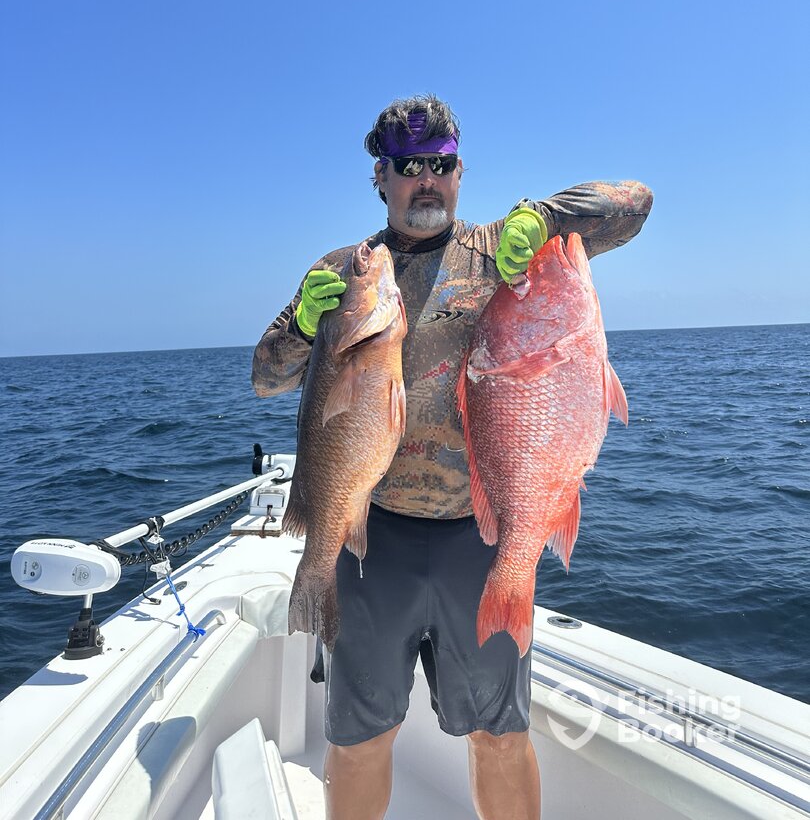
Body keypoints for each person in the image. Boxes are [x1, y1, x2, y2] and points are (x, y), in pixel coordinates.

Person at [252, 94, 653, 820]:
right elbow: (265, 377)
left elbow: (635, 204)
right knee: (360, 736)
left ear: (460, 171)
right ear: (380, 177)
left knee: (500, 733)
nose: (425, 180)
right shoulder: (348, 270)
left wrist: (548, 213)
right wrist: (305, 323)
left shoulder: (505, 248)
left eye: (440, 165)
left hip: (482, 534)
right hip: (374, 539)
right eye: (408, 167)